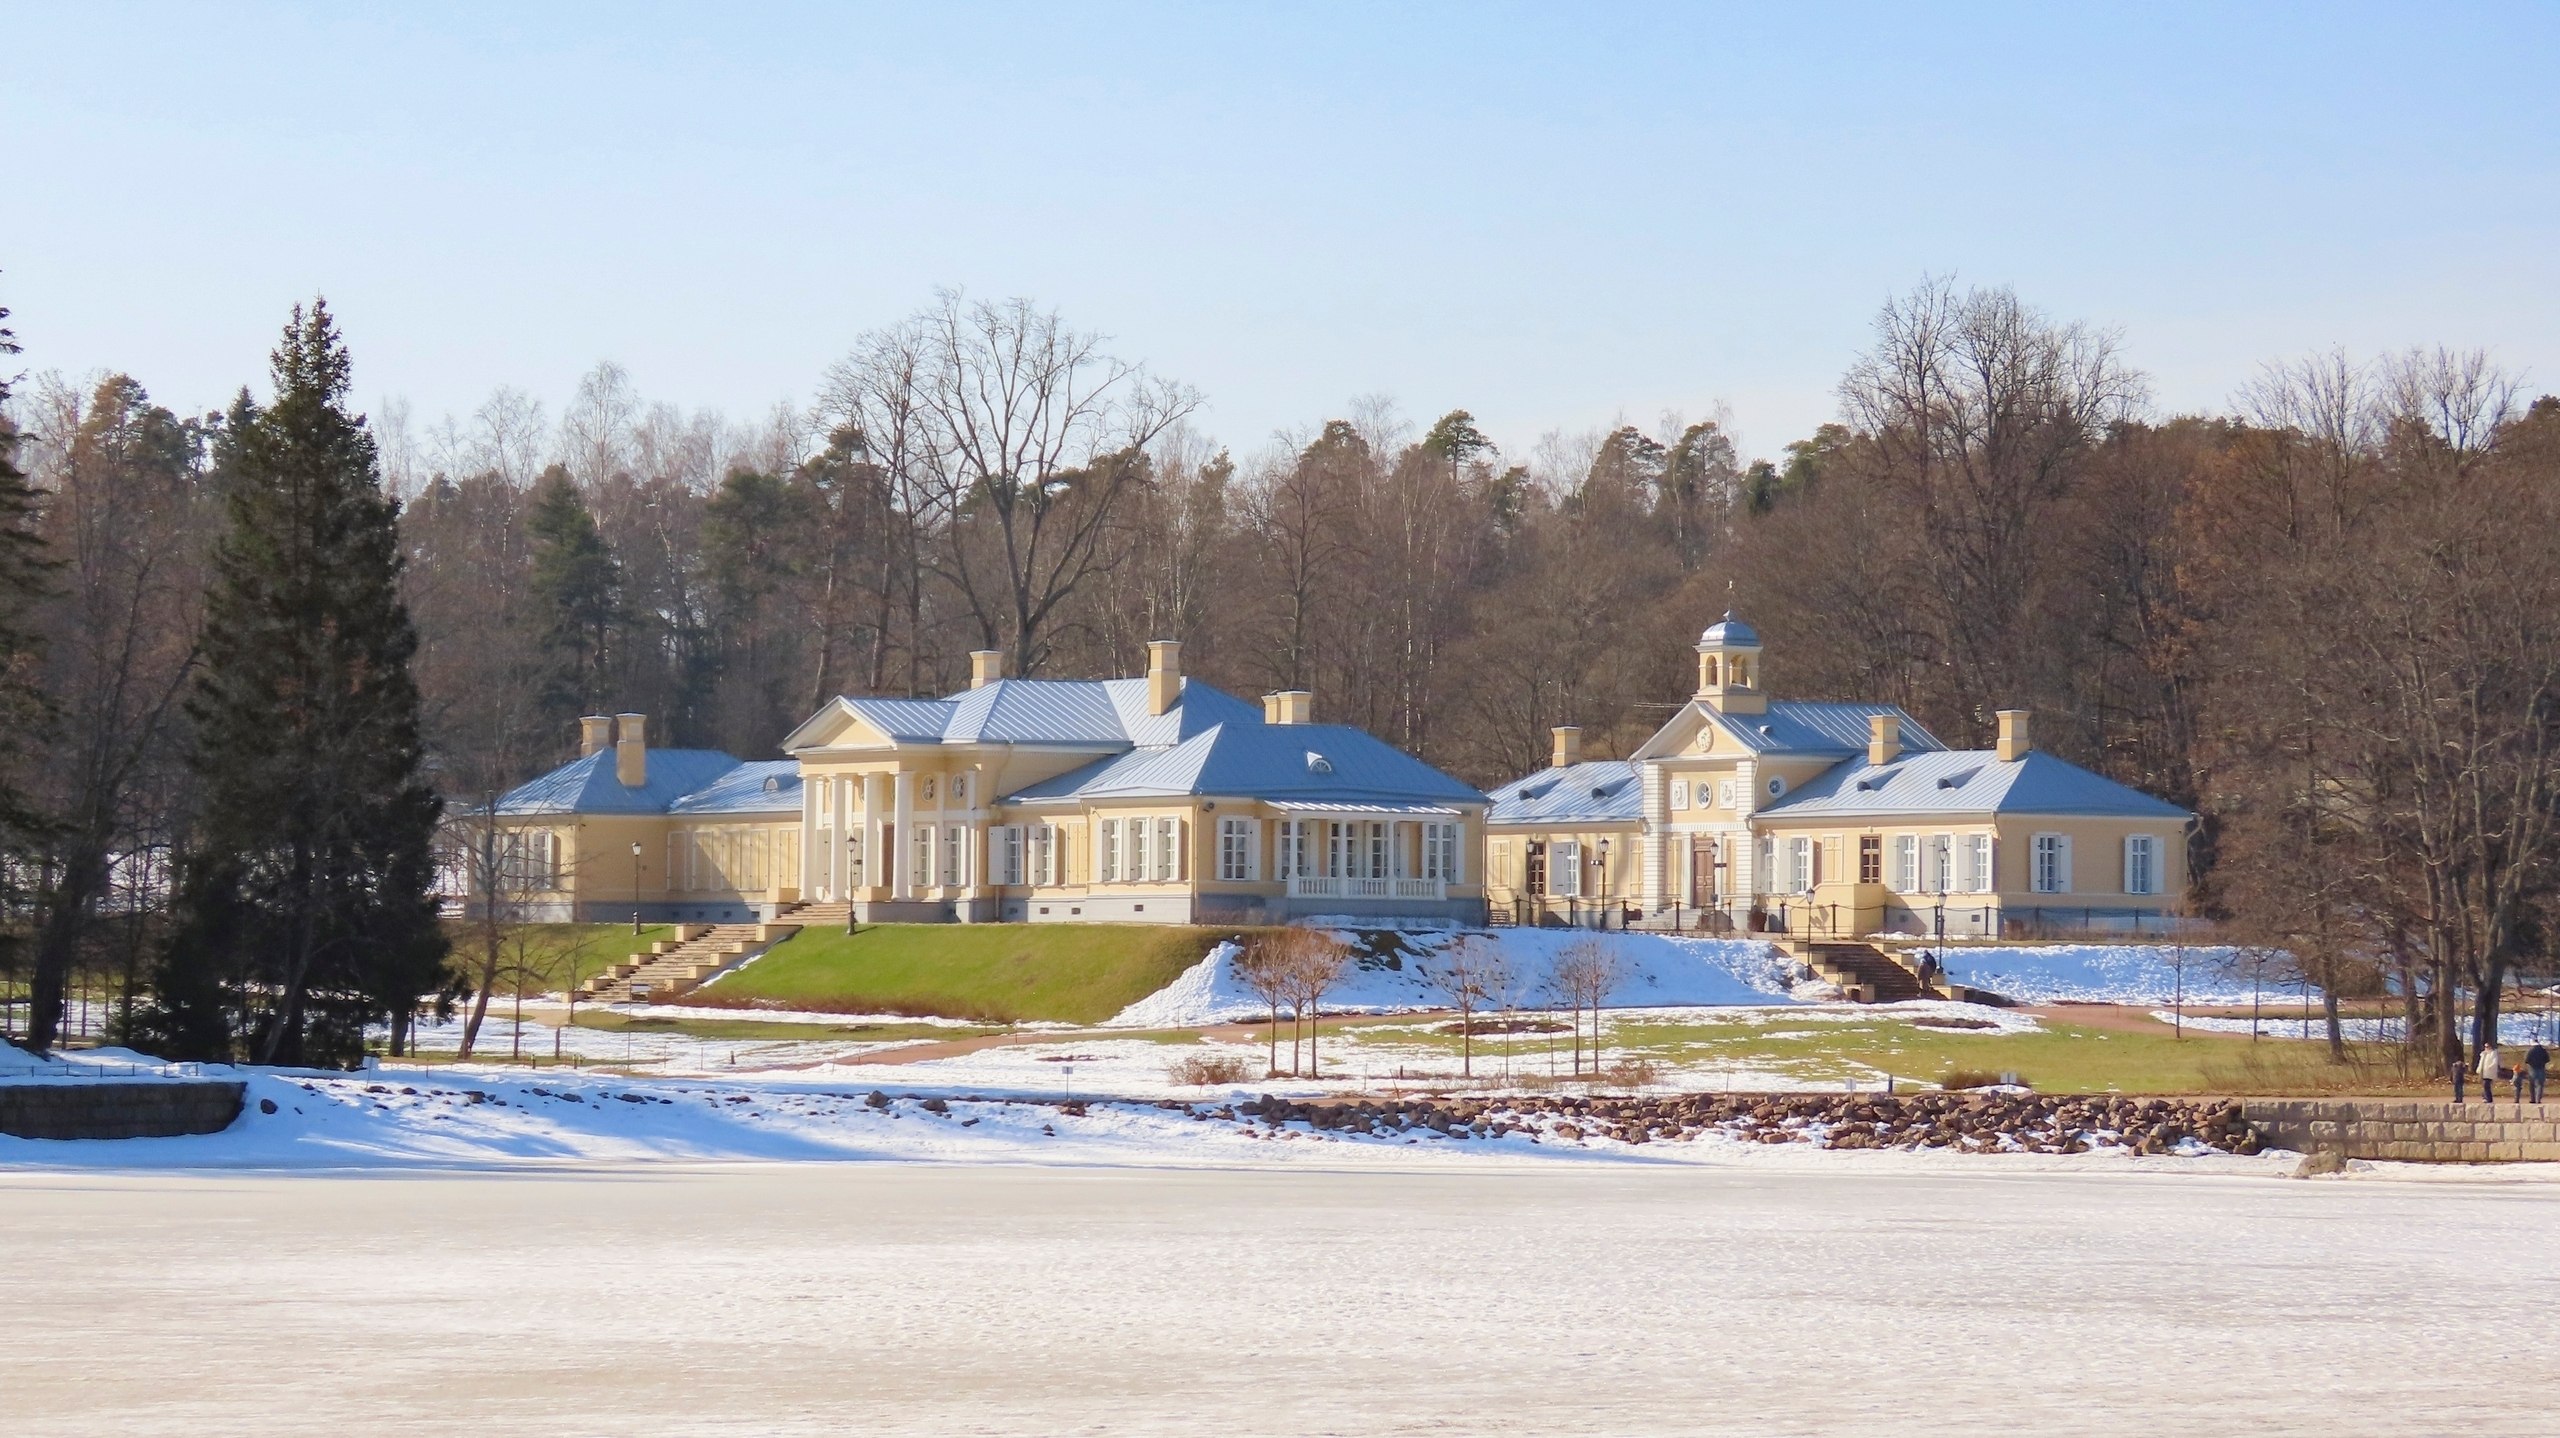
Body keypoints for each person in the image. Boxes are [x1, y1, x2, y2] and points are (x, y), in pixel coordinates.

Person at [2478, 1043, 2503, 1108]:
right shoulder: (2483, 1054)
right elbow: (2481, 1063)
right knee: (2484, 1085)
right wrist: (2479, 1069)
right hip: (2483, 1072)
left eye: (2488, 1046)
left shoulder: (2493, 1053)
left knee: (2486, 1085)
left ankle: (2489, 1099)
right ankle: (2484, 1097)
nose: (2486, 1048)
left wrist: (2490, 1067)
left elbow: (2495, 1062)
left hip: (2489, 1072)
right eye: (2485, 1046)